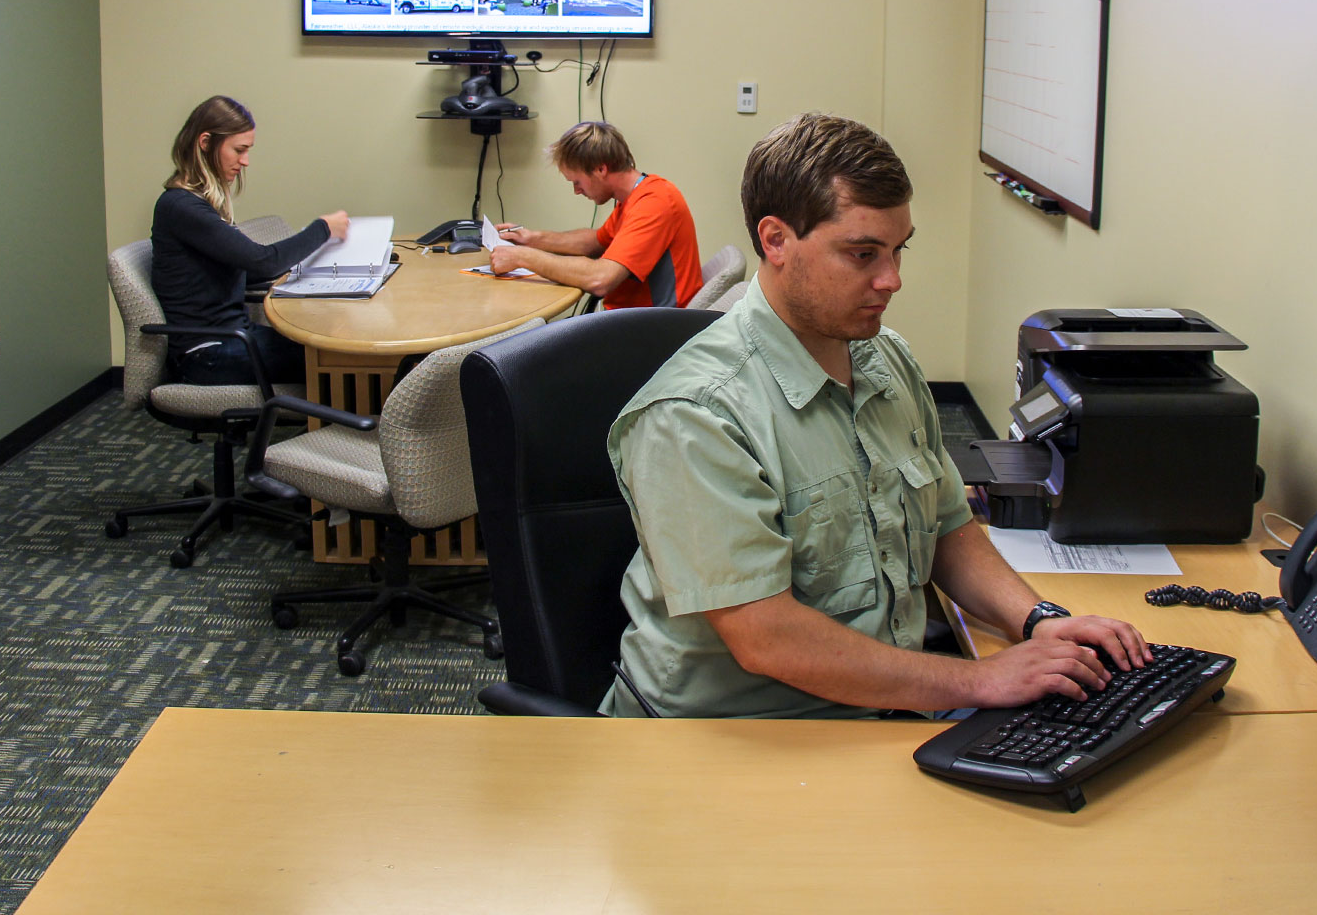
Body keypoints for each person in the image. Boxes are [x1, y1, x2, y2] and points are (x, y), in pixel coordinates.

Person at [601, 112, 1149, 719]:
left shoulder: (886, 360)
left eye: (896, 250)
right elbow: (767, 637)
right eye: (863, 254)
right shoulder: (695, 414)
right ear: (776, 241)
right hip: (737, 740)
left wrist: (1038, 621)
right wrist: (979, 681)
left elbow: (948, 527)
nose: (892, 280)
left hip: (885, 708)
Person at [150, 95, 350, 387]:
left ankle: (343, 426)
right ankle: (349, 429)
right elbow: (263, 261)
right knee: (339, 357)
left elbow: (251, 268)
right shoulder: (180, 207)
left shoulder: (197, 206)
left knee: (335, 345)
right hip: (206, 354)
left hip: (234, 337)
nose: (245, 162)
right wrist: (323, 228)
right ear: (205, 143)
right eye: (239, 150)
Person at [491, 121, 703, 310]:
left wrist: (522, 257)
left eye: (577, 181)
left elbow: (601, 279)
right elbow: (594, 242)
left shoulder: (655, 203)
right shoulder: (635, 197)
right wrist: (531, 239)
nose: (576, 190)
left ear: (600, 169)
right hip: (633, 320)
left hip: (656, 331)